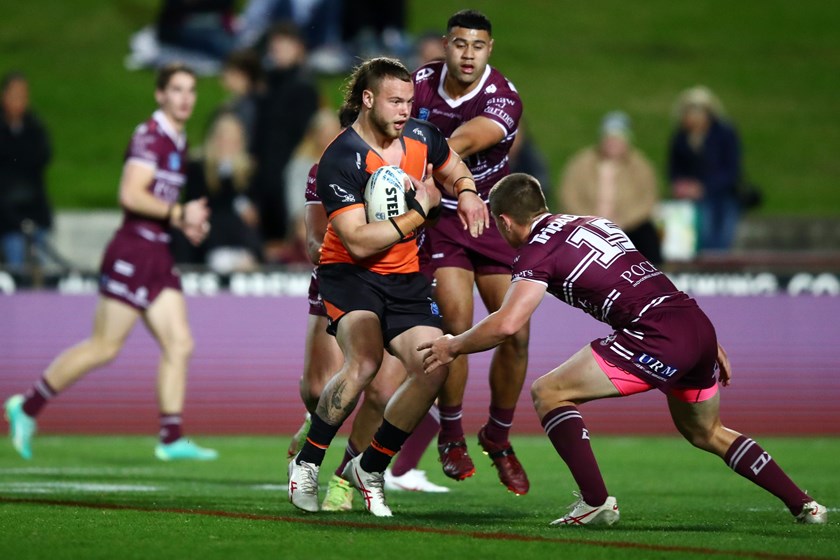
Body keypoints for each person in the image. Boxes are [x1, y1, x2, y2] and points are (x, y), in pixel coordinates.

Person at [420, 173, 828, 527]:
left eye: (499, 225)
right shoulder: (596, 222)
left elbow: (508, 323)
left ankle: (596, 502)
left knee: (549, 392)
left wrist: (453, 345)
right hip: (695, 324)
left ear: (505, 221)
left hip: (655, 336)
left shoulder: (535, 251)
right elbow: (644, 276)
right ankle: (804, 504)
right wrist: (704, 337)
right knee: (707, 432)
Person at [287, 56, 487, 517]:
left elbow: (454, 166)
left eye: (410, 101)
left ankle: (370, 466)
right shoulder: (341, 157)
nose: (404, 111)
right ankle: (309, 462)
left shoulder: (421, 136)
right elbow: (357, 242)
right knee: (363, 364)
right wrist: (422, 212)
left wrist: (469, 192)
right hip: (350, 275)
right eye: (395, 101)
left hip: (403, 277)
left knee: (437, 359)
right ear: (368, 99)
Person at [3, 63, 218, 462]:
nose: (186, 98)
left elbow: (158, 201)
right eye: (177, 89)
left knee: (179, 342)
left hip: (156, 251)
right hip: (133, 251)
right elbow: (131, 195)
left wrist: (184, 225)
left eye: (191, 90)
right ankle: (27, 406)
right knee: (104, 347)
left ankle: (170, 438)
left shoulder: (178, 138)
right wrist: (178, 214)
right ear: (160, 95)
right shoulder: (150, 137)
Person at [287, 127, 448, 511]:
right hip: (348, 275)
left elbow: (447, 182)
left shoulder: (416, 156)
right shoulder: (331, 166)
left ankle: (349, 475)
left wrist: (461, 191)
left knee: (383, 387)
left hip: (404, 277)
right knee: (318, 386)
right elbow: (316, 240)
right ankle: (313, 441)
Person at [411, 9, 530, 494]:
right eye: (460, 44)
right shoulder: (417, 84)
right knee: (456, 327)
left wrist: (428, 165)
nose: (467, 54)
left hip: (492, 220)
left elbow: (463, 139)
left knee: (515, 332)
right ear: (445, 45)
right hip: (442, 222)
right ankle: (452, 431)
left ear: (489, 50)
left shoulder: (504, 97)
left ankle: (498, 436)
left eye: (477, 46)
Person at [252, 21, 320, 260]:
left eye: (283, 45)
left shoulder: (304, 89)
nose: (277, 50)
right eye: (274, 46)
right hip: (263, 174)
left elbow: (306, 136)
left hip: (288, 173)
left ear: (299, 49)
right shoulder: (266, 85)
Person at [559, 110, 662, 264]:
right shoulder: (581, 163)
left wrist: (624, 221)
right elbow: (568, 194)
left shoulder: (640, 166)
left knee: (647, 235)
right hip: (587, 224)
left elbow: (648, 199)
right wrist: (591, 221)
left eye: (619, 139)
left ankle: (653, 277)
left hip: (628, 226)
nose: (613, 143)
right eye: (609, 139)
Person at [171, 111, 263, 273]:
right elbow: (197, 201)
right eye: (223, 137)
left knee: (236, 220)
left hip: (239, 230)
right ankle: (220, 255)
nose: (227, 143)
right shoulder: (198, 166)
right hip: (208, 227)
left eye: (232, 139)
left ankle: (240, 255)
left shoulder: (249, 170)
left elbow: (254, 208)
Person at [668, 85, 742, 252]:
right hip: (690, 198)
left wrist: (704, 187)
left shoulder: (724, 133)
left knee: (717, 237)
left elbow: (731, 170)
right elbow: (674, 169)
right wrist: (682, 186)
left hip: (721, 196)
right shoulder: (681, 137)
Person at [0, 71, 53, 269]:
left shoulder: (34, 127)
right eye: (14, 95)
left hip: (34, 208)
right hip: (5, 215)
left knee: (39, 267)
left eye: (23, 96)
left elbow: (42, 157)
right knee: (15, 266)